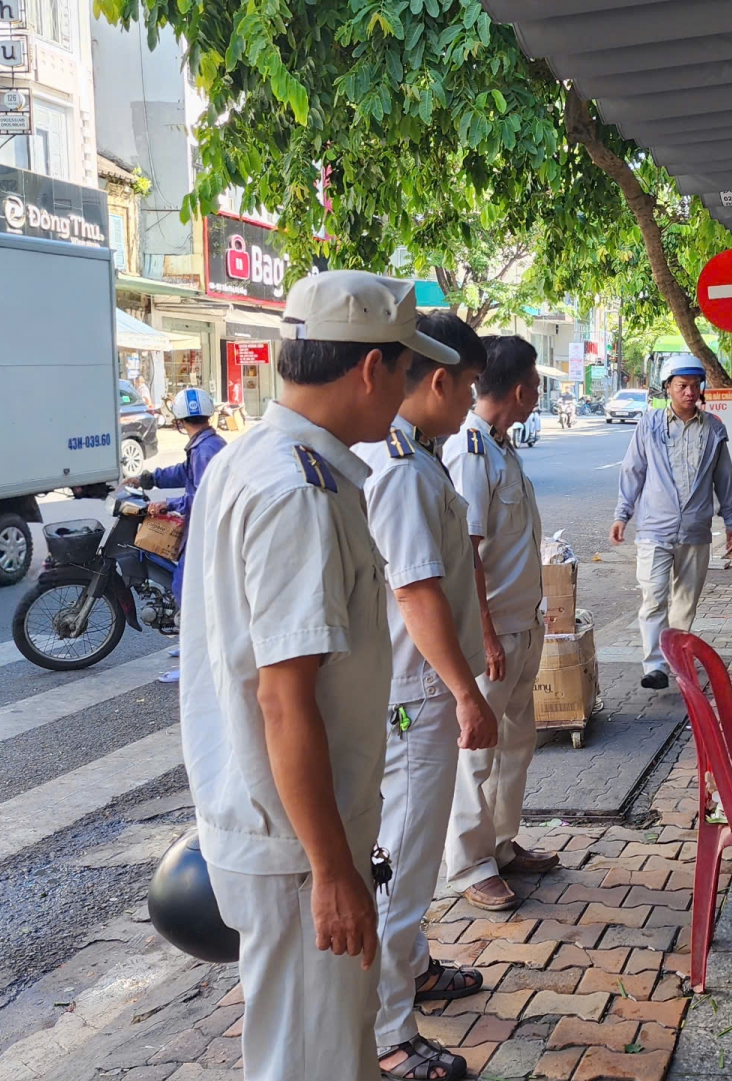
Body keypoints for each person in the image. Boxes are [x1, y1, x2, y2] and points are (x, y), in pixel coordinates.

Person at [177, 269, 434, 1081]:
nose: (408, 391)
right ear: (371, 368)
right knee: (312, 1063)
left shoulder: (255, 459)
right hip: (298, 844)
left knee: (327, 1051)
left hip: (287, 826)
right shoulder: (298, 491)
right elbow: (284, 700)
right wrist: (330, 871)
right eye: (406, 370)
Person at [355, 310, 495, 1081]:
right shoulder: (402, 467)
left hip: (418, 687)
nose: (472, 399)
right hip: (416, 693)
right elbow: (415, 591)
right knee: (402, 865)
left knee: (407, 855)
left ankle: (412, 969)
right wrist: (466, 692)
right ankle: (388, 1033)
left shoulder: (415, 455)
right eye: (469, 385)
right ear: (439, 380)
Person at [439, 334, 562, 914]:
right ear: (519, 390)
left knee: (516, 742)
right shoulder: (469, 452)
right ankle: (468, 863)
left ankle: (501, 844)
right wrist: (484, 634)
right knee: (477, 750)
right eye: (535, 383)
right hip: (495, 633)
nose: (537, 393)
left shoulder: (502, 447)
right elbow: (466, 553)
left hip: (523, 623)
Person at [611, 359, 732, 690]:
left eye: (695, 385)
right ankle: (655, 666)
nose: (689, 392)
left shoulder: (713, 429)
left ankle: (675, 661)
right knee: (654, 596)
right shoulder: (650, 424)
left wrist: (731, 520)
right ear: (668, 387)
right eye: (682, 386)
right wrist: (622, 514)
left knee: (685, 602)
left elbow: (724, 477)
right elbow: (633, 469)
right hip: (654, 528)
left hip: (695, 529)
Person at [137, 386, 228, 682]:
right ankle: (191, 646)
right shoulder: (206, 444)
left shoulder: (205, 450)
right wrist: (151, 478)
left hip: (206, 533)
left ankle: (195, 662)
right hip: (206, 529)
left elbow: (201, 496)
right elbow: (183, 472)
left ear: (178, 420)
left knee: (188, 593)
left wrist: (168, 504)